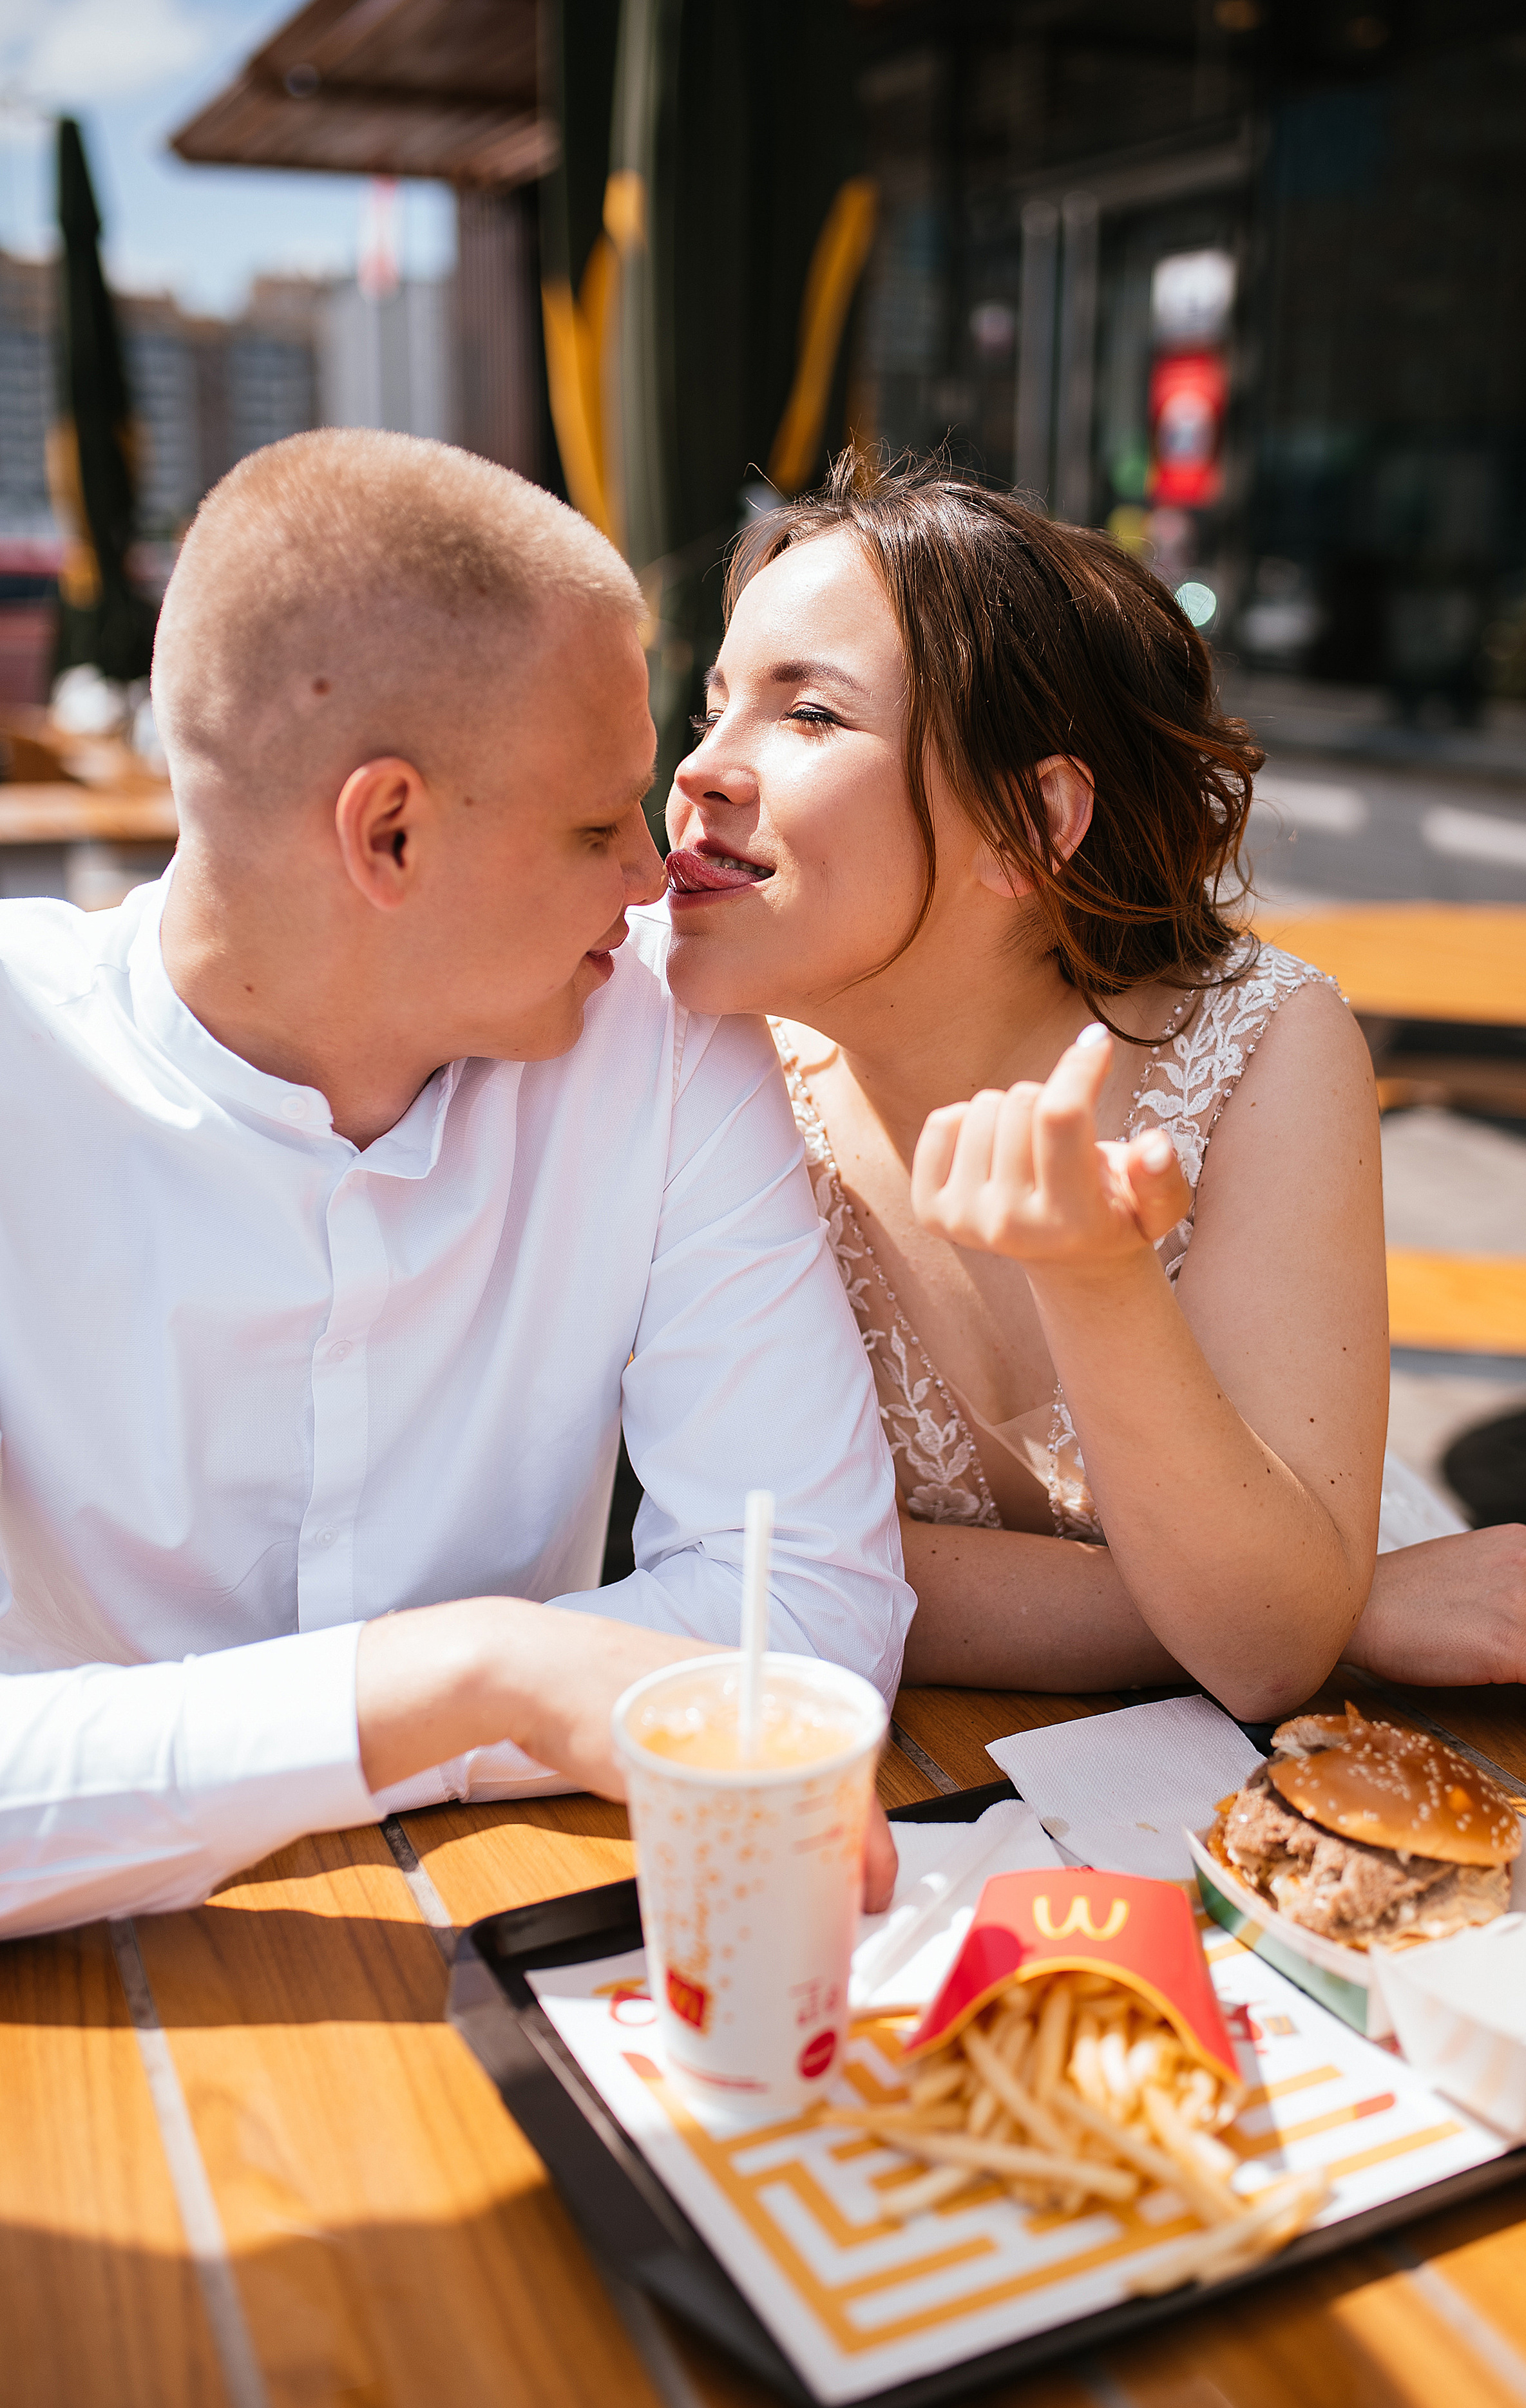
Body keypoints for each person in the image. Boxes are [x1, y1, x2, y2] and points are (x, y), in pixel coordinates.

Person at [0, 430, 909, 1940]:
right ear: (390, 832)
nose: (652, 870)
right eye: (592, 821)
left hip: (515, 1946)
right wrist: (467, 1682)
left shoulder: (668, 1052)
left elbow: (807, 1617)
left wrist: (186, 1765)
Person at [662, 455, 1526, 1714]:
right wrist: (1346, 1607)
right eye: (711, 708)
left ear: (1026, 822)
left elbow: (1263, 1644)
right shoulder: (710, 1069)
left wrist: (1095, 1275)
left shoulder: (1264, 1046)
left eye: (810, 715)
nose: (701, 771)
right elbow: (755, 1575)